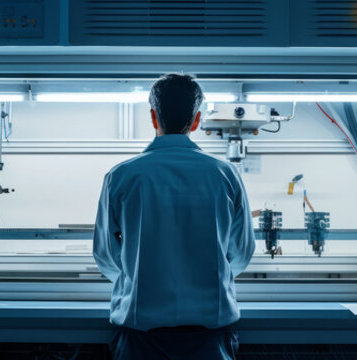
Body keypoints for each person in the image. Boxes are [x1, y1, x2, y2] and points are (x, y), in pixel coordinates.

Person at [92, 73, 257, 360]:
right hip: (210, 340)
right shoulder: (224, 175)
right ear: (196, 121)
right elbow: (241, 253)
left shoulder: (122, 176)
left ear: (154, 118)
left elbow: (106, 255)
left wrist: (137, 279)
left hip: (141, 341)